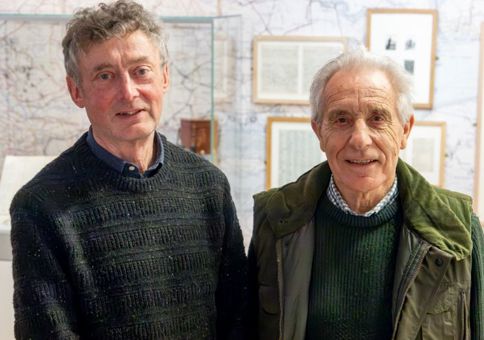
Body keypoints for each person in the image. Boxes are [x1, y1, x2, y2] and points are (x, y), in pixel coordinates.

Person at [10, 1, 247, 339]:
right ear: (76, 91)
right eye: (105, 76)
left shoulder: (208, 186)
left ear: (164, 77)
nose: (128, 92)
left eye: (141, 71)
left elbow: (237, 318)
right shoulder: (41, 205)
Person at [248, 48, 484, 340]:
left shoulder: (458, 228)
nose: (360, 139)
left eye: (377, 118)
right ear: (319, 131)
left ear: (405, 130)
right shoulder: (275, 220)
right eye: (342, 119)